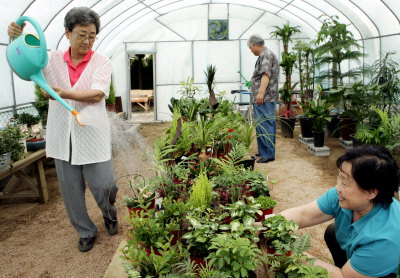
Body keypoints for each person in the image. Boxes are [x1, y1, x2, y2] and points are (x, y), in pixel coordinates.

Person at [8, 7, 118, 252]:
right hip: (62, 135)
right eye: (81, 34)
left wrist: (64, 93)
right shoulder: (51, 59)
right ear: (67, 33)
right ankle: (85, 231)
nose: (87, 41)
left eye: (92, 36)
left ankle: (109, 213)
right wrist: (15, 39)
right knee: (71, 190)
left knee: (104, 184)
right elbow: (26, 67)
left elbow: (98, 93)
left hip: (93, 134)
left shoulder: (102, 62)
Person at [277, 145, 400, 277]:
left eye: (345, 182)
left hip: (381, 269)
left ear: (371, 192)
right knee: (333, 231)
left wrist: (292, 253)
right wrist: (265, 224)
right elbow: (303, 214)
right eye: (339, 177)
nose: (338, 187)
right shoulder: (344, 196)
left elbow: (343, 277)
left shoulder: (383, 239)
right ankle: (348, 264)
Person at [247, 34, 279, 163]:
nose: (251, 51)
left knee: (266, 124)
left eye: (251, 48)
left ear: (254, 44)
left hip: (265, 97)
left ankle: (268, 154)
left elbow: (265, 75)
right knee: (261, 124)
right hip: (262, 98)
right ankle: (264, 152)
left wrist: (260, 93)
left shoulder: (266, 55)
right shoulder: (264, 55)